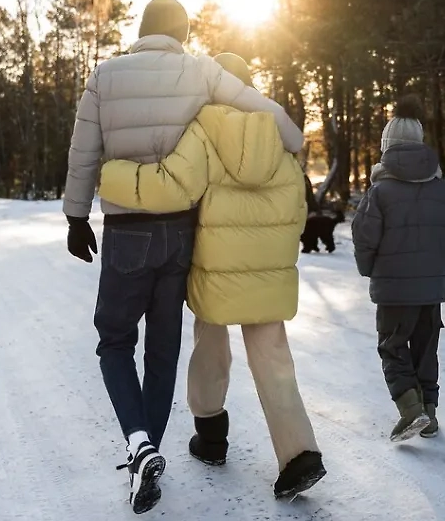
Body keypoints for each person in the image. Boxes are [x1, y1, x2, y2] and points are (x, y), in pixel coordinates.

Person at [62, 0, 304, 514]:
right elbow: (263, 110)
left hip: (127, 230)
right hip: (180, 233)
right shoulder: (199, 71)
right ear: (182, 34)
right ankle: (146, 452)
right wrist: (293, 139)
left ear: (142, 29)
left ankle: (139, 444)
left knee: (114, 341)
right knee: (164, 347)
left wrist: (75, 215)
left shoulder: (105, 74)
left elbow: (83, 150)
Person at [98, 53, 325, 500]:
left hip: (214, 269)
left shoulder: (205, 129)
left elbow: (171, 186)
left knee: (210, 346)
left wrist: (111, 175)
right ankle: (300, 455)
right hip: (267, 272)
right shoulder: (278, 136)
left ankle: (211, 436)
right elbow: (299, 208)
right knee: (274, 359)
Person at [351, 95, 445, 442]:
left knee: (392, 346)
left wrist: (372, 269)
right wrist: (435, 268)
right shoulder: (440, 189)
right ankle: (429, 415)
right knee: (425, 349)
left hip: (394, 289)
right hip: (431, 290)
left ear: (387, 145)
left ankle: (410, 409)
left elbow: (363, 237)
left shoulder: (380, 190)